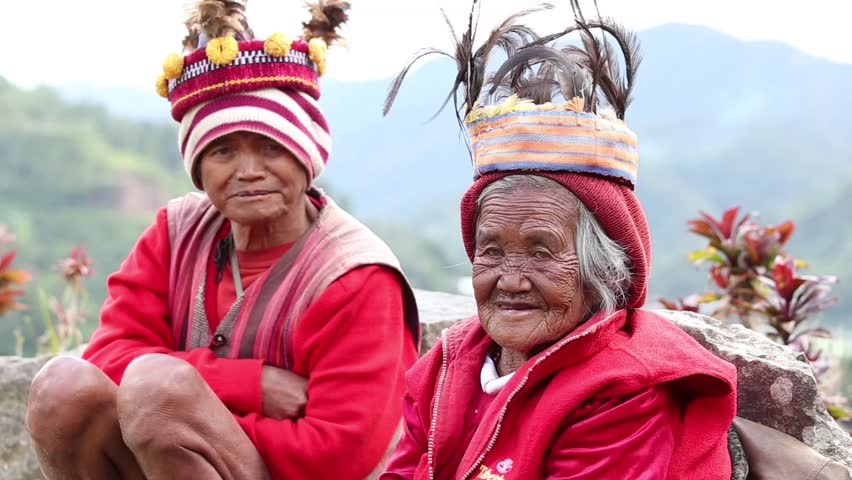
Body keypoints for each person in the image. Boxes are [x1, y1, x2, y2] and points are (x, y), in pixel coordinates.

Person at [25, 1, 419, 479]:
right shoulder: (174, 234)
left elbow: (337, 453)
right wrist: (250, 385)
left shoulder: (355, 277)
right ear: (198, 167)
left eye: (272, 146)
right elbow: (109, 354)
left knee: (157, 392)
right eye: (223, 151)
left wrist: (194, 418)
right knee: (61, 387)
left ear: (306, 154)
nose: (248, 172)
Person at [380, 2, 737, 479]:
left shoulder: (621, 393)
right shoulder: (449, 364)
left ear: (603, 270)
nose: (510, 280)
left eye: (541, 253)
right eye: (491, 251)